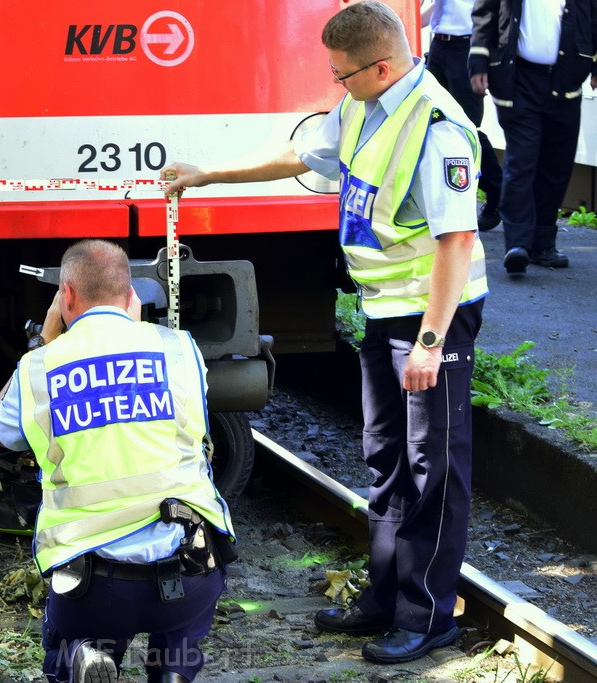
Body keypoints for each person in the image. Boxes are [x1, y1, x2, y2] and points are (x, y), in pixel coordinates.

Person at [161, 0, 487, 665]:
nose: (335, 86)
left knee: (433, 470)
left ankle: (428, 617)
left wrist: (430, 341)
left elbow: (456, 243)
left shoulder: (437, 129)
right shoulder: (364, 107)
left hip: (433, 317)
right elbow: (299, 151)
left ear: (383, 64)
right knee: (386, 458)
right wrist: (209, 175)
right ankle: (385, 597)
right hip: (384, 310)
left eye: (343, 75)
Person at [0, 239, 235, 683]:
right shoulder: (179, 348)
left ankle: (83, 651)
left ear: (66, 296)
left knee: (76, 632)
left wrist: (42, 344)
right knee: (181, 621)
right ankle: (174, 671)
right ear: (132, 295)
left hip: (93, 585)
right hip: (188, 572)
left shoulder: (41, 366)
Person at [469, 0, 597, 274]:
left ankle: (543, 243)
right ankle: (518, 243)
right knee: (522, 159)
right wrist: (478, 61)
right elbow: (485, 13)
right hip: (517, 78)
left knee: (556, 164)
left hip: (565, 79)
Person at [422, 0, 504, 231]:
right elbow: (440, 12)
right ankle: (445, 200)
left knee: (465, 126)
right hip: (439, 45)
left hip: (467, 47)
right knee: (432, 122)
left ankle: (498, 193)